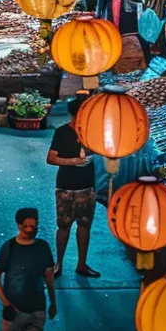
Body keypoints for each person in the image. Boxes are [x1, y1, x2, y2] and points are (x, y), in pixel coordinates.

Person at [46, 93, 99, 278]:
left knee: (85, 226)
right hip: (66, 187)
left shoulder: (92, 133)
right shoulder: (62, 132)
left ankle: (82, 264)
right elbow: (51, 158)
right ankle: (58, 264)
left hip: (87, 186)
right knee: (64, 226)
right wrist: (73, 161)